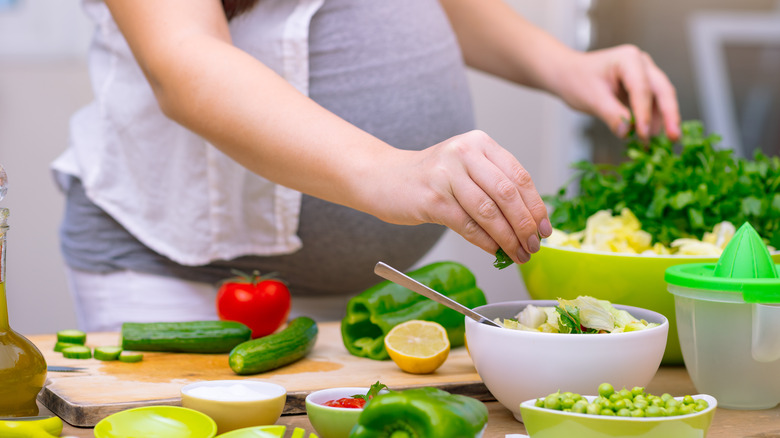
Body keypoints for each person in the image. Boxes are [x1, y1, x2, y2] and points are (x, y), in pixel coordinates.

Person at [53, 0, 680, 331]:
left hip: (364, 302)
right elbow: (183, 61)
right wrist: (392, 172)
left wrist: (563, 64)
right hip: (184, 277)